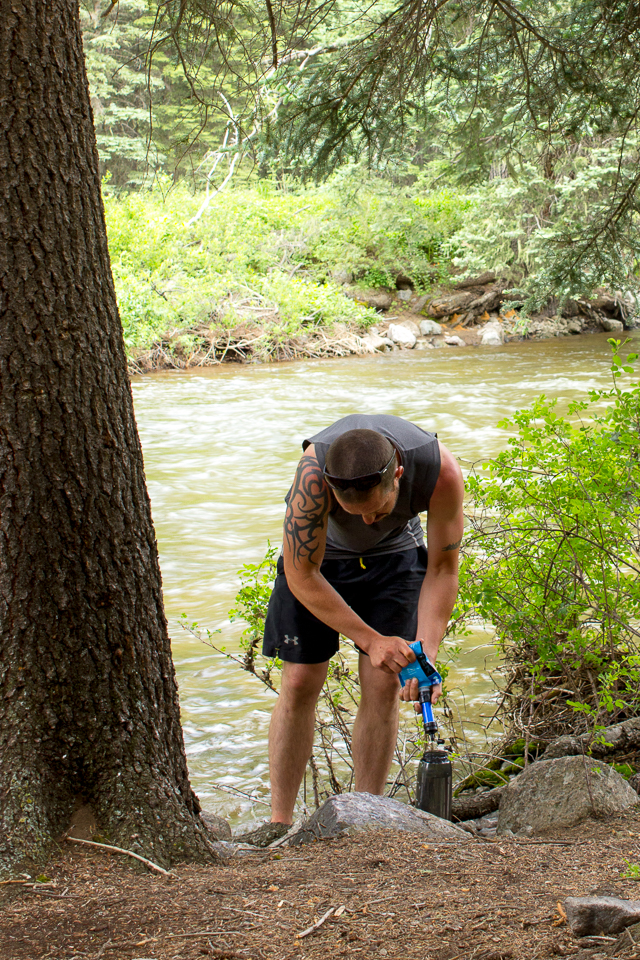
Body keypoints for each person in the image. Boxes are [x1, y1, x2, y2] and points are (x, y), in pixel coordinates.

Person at [259, 414, 464, 840]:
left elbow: (443, 570)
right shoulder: (312, 478)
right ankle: (277, 825)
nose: (369, 522)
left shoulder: (439, 471)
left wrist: (422, 652)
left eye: (379, 509)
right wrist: (371, 641)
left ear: (399, 477)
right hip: (320, 564)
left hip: (395, 559)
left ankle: (364, 817)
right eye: (355, 512)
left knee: (382, 682)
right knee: (298, 680)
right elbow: (301, 575)